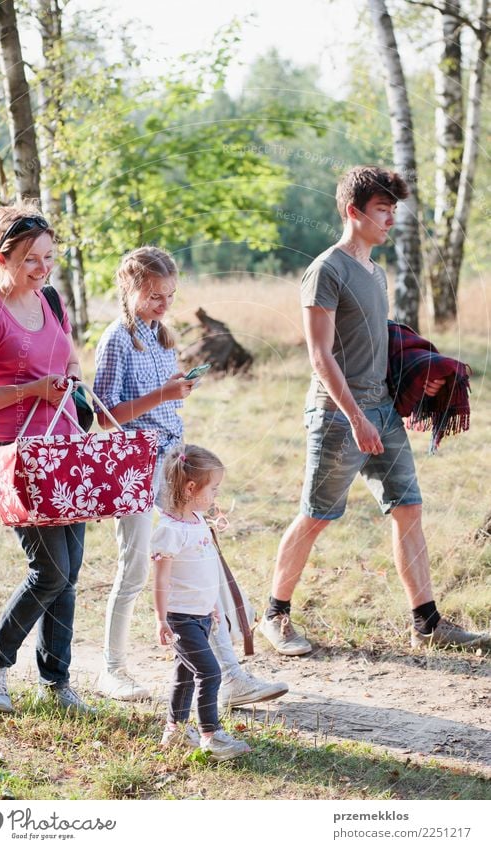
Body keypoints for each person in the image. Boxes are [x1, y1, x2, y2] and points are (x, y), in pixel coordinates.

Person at [258, 165, 491, 655]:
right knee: (317, 515)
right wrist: (356, 417)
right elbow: (320, 355)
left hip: (382, 410)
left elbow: (377, 342)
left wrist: (413, 385)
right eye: (382, 210)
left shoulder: (375, 271)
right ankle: (274, 616)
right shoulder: (326, 270)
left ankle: (427, 622)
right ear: (352, 211)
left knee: (408, 509)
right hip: (340, 416)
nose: (390, 220)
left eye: (393, 210)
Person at [93, 246, 288, 704]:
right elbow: (104, 416)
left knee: (201, 561)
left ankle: (231, 675)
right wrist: (162, 394)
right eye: (155, 295)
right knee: (137, 567)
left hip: (174, 463)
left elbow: (163, 402)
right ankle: (112, 668)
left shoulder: (162, 336)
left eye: (170, 294)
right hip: (135, 465)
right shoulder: (117, 339)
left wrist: (177, 388)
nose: (164, 304)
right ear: (130, 287)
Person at [0, 204, 93, 713]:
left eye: (49, 256)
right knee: (50, 570)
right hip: (15, 457)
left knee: (70, 569)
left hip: (64, 450)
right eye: (31, 259)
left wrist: (70, 382)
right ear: (2, 257)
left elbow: (70, 358)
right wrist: (32, 391)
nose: (42, 268)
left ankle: (56, 682)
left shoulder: (51, 300)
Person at [152, 444, 251, 762]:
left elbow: (201, 571)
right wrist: (161, 618)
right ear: (191, 487)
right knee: (209, 672)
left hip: (201, 615)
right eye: (214, 488)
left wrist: (212, 605)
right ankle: (212, 734)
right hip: (180, 618)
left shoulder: (197, 521)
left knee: (184, 674)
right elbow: (162, 579)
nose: (217, 495)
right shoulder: (170, 530)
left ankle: (175, 731)